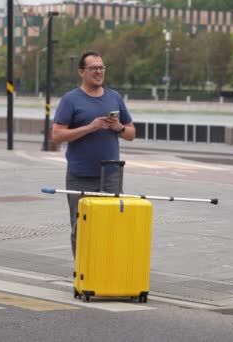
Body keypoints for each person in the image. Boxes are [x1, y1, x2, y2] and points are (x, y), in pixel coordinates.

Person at [51, 51, 136, 257]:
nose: (99, 71)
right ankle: (83, 275)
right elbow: (57, 135)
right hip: (80, 176)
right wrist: (90, 128)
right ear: (82, 71)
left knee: (112, 226)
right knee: (81, 228)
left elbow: (131, 134)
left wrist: (118, 127)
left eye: (101, 67)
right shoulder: (71, 99)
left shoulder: (114, 97)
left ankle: (105, 272)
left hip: (111, 176)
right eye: (93, 68)